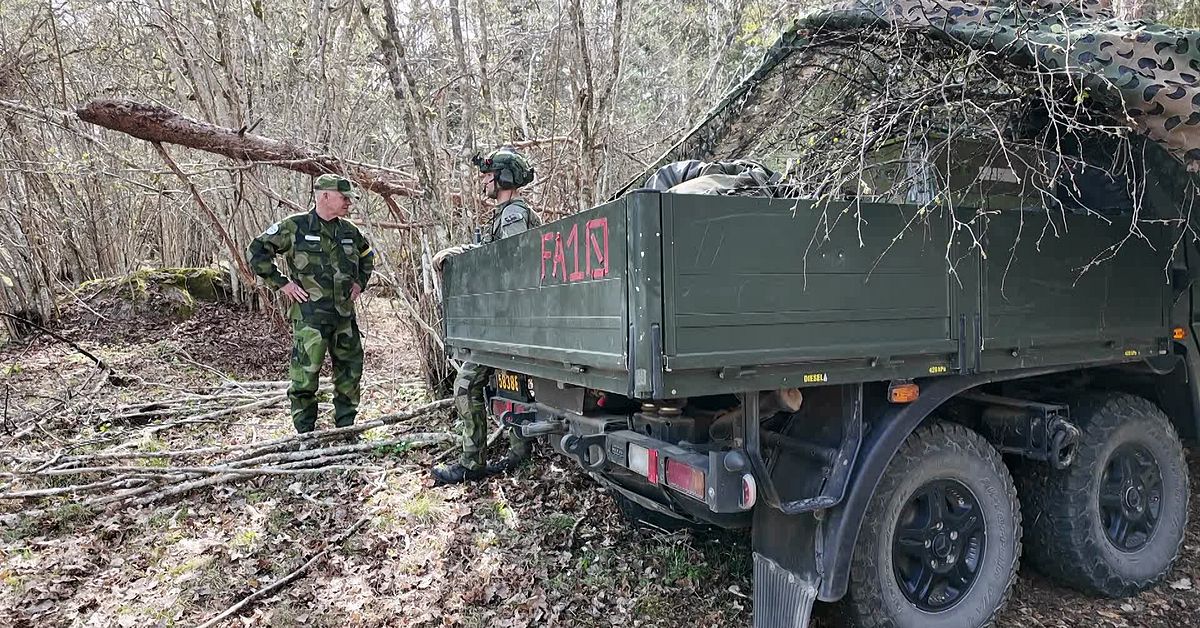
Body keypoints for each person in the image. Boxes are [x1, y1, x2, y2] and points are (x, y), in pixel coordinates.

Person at [431, 146, 540, 484]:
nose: (484, 183)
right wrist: (462, 251)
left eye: (489, 176)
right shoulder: (508, 213)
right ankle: (520, 452)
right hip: (512, 319)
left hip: (508, 321)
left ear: (504, 178)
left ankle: (471, 462)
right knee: (513, 385)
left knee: (465, 387)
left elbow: (511, 261)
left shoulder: (512, 215)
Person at [247, 173, 374, 437]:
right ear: (324, 196)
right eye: (343, 197)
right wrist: (282, 283)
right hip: (310, 318)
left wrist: (360, 283)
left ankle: (347, 429)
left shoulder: (349, 231)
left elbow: (366, 256)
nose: (348, 202)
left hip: (343, 317)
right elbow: (257, 251)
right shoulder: (295, 227)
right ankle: (305, 433)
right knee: (305, 377)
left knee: (350, 373)